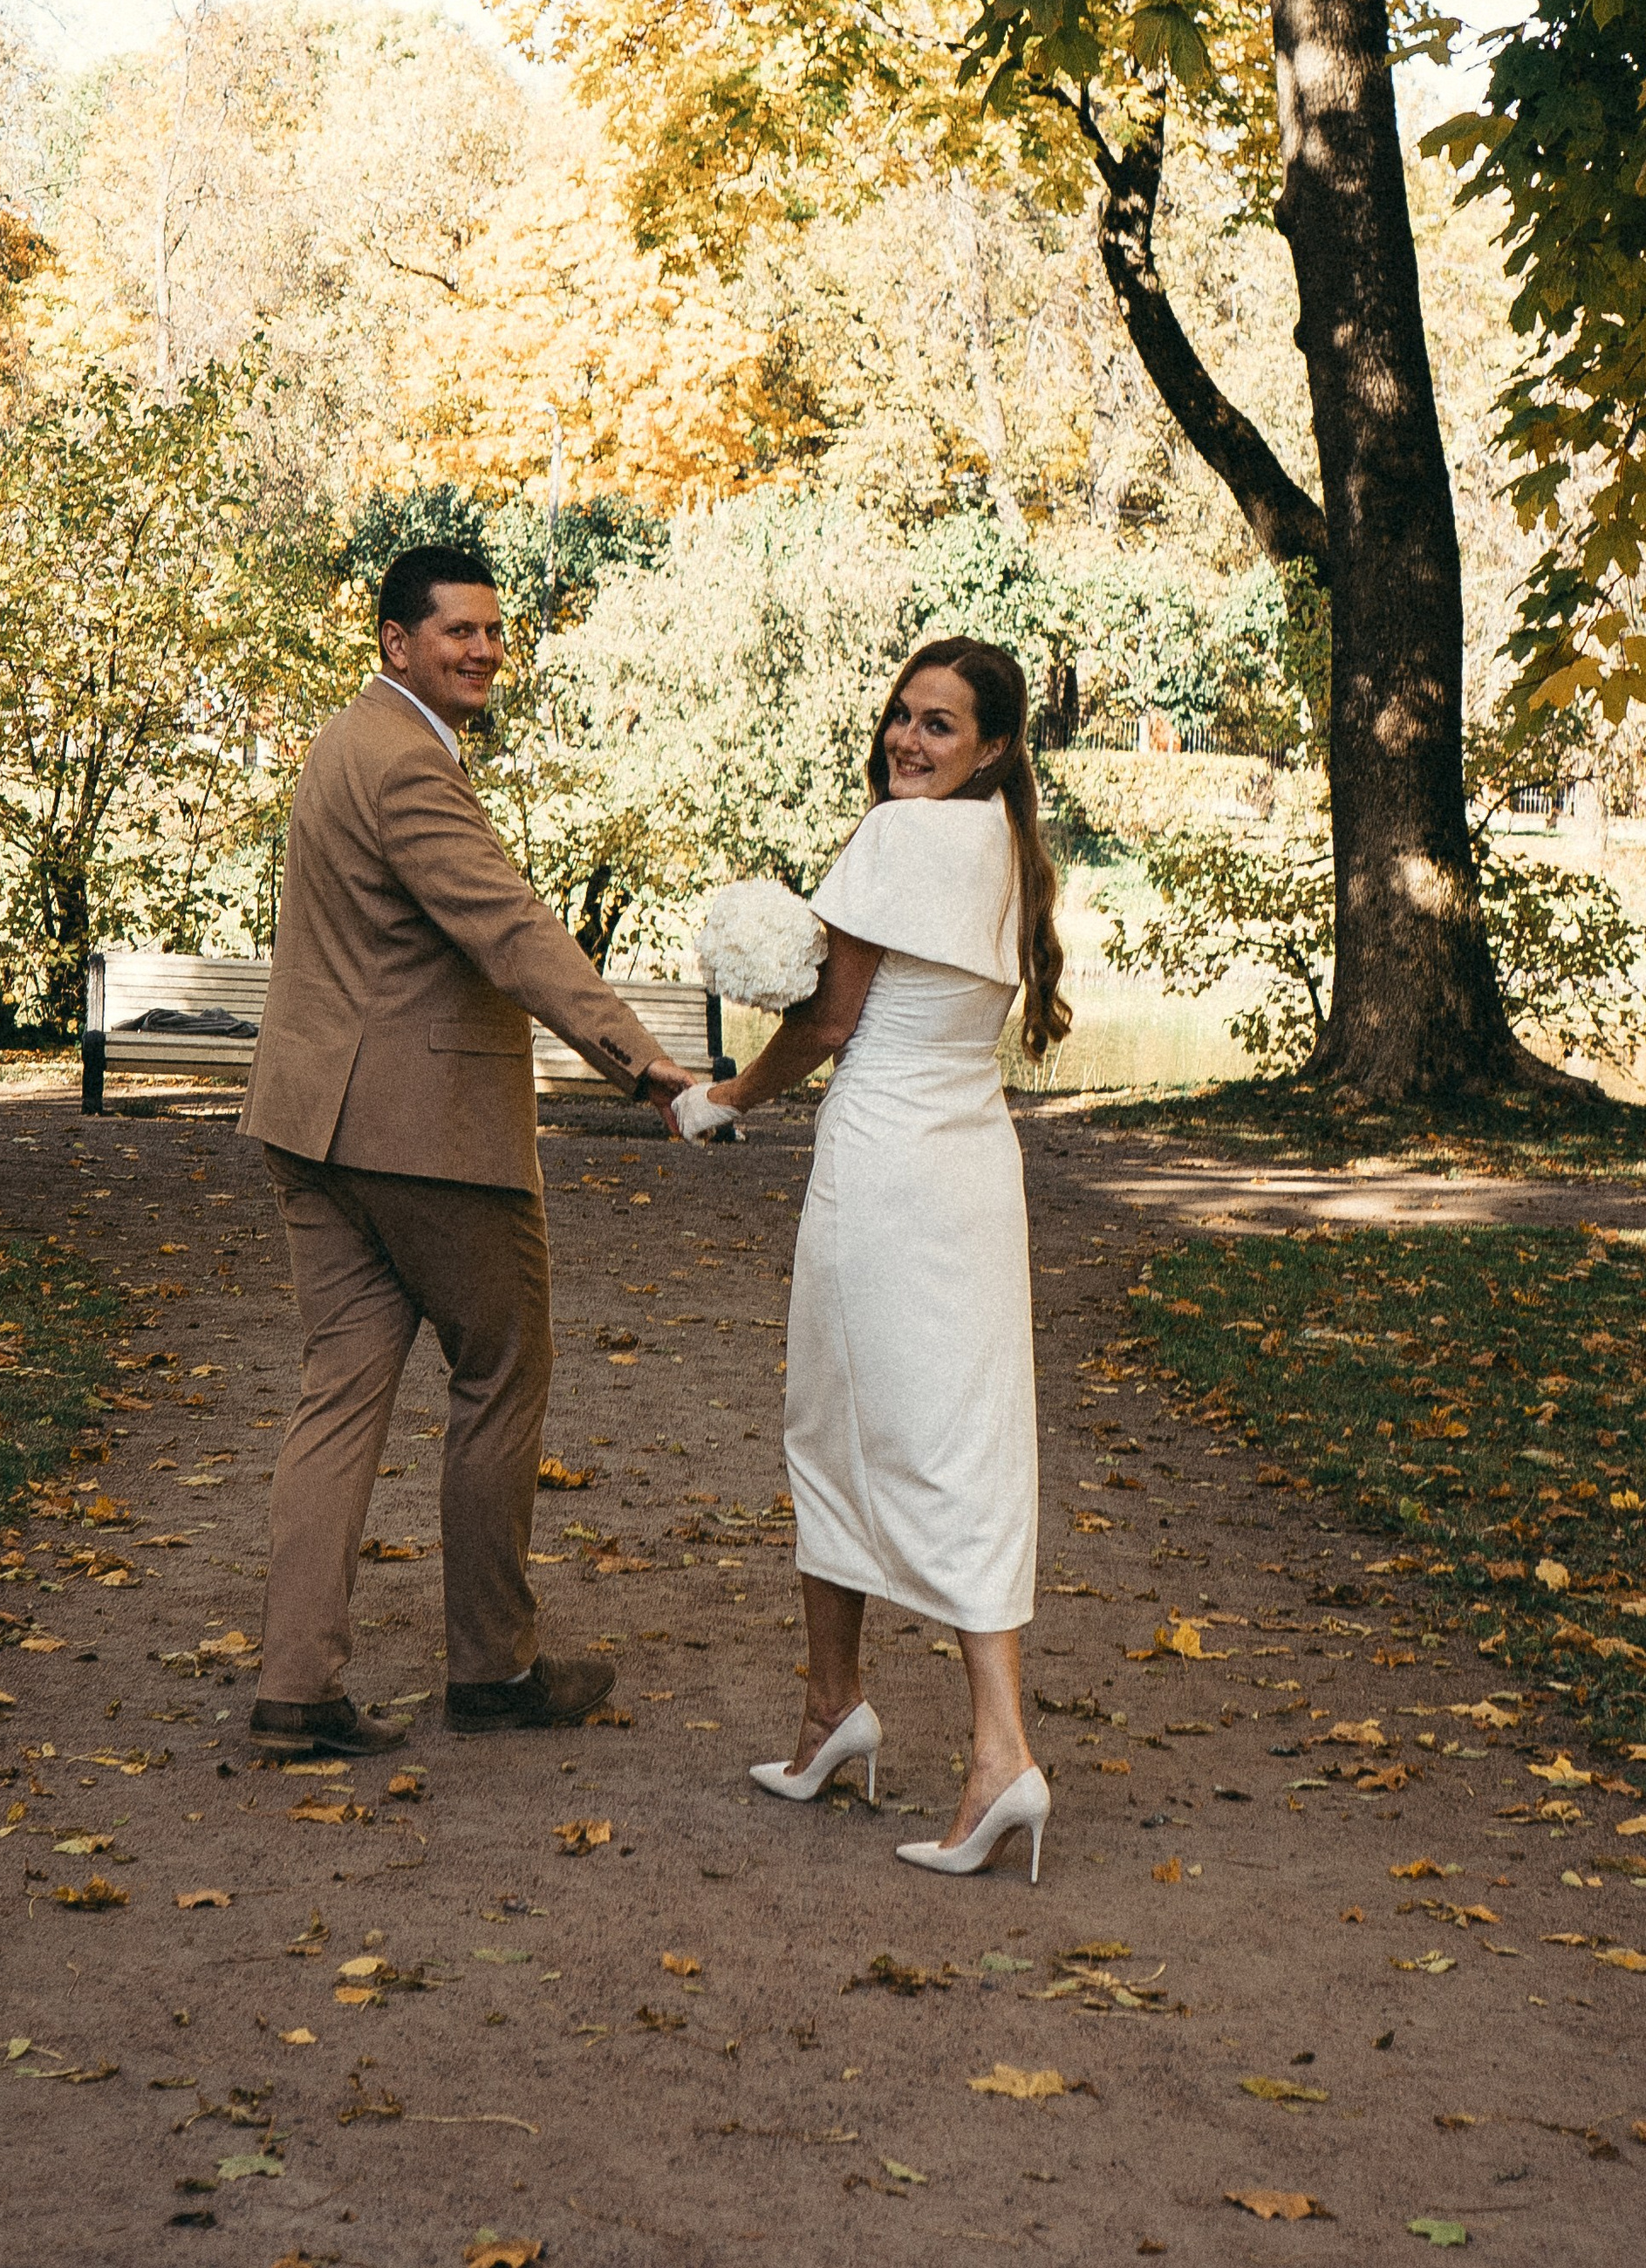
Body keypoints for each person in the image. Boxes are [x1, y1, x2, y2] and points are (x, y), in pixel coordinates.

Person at [238, 543, 701, 1759]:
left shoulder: (348, 743)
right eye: (460, 632)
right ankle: (492, 1670)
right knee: (502, 1373)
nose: (487, 649)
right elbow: (510, 931)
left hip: (312, 1126)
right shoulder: (408, 770)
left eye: (496, 632)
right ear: (397, 643)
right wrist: (641, 1062)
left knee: (341, 1396)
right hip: (423, 1137)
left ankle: (296, 1689)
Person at [677, 638, 1072, 1880]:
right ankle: (832, 1713)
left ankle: (997, 1752)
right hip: (971, 1164)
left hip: (886, 1165)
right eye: (903, 716)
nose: (908, 739)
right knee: (941, 1430)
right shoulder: (1007, 843)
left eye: (940, 726)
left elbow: (833, 1020)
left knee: (861, 1426)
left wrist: (723, 1096)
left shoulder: (904, 841)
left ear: (995, 745)